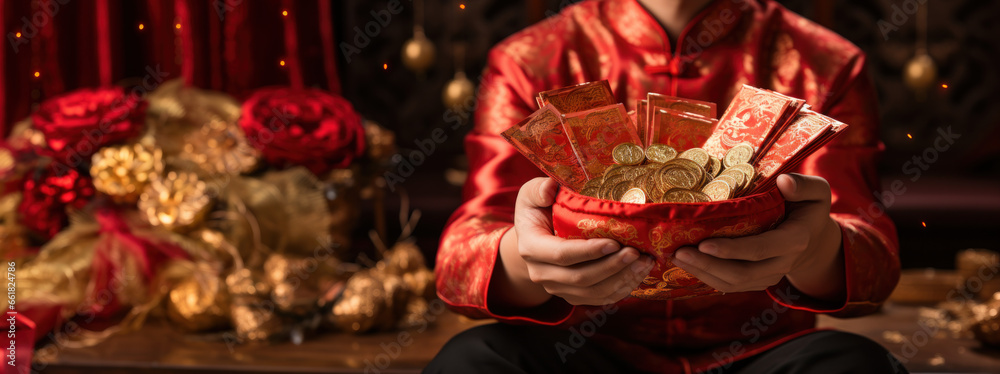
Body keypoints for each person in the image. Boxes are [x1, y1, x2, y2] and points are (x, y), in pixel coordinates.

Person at [427, 0, 904, 372]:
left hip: (763, 352)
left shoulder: (824, 62)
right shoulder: (528, 60)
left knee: (855, 363)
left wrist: (815, 248)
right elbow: (458, 262)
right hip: (580, 352)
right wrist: (523, 260)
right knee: (474, 358)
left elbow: (875, 265)